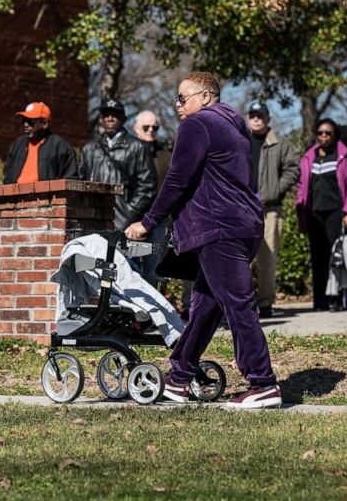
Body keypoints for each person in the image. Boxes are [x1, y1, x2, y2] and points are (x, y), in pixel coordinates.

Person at [125, 72, 281, 409]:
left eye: (183, 97)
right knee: (205, 307)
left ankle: (263, 382)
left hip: (218, 229)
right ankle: (180, 378)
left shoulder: (198, 125)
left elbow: (178, 179)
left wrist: (148, 222)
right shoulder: (235, 127)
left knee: (239, 306)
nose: (178, 105)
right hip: (243, 227)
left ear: (206, 97)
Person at [294, 117, 347, 312]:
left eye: (328, 133)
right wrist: (301, 209)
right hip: (315, 214)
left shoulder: (345, 157)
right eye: (320, 133)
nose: (324, 137)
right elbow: (302, 187)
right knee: (318, 258)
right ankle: (320, 300)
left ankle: (339, 299)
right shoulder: (309, 157)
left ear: (334, 135)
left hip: (336, 213)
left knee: (338, 259)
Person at [247, 103, 300, 318]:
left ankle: (266, 303)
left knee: (266, 259)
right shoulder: (239, 141)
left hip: (270, 210)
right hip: (242, 210)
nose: (256, 119)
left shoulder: (281, 144)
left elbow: (293, 169)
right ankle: (242, 305)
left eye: (260, 116)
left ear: (268, 119)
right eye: (253, 115)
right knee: (240, 260)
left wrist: (275, 190)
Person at [79, 99, 156, 231]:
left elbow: (148, 186)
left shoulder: (137, 147)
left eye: (115, 115)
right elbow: (80, 182)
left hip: (123, 222)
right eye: (106, 115)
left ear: (124, 119)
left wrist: (129, 213)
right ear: (101, 119)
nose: (110, 118)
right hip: (93, 219)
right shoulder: (89, 148)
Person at [132, 110, 173, 285]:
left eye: (155, 127)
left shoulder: (165, 155)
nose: (150, 130)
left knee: (153, 269)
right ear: (136, 128)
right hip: (132, 217)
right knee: (130, 266)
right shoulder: (128, 152)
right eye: (146, 127)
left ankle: (153, 310)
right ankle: (132, 310)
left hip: (157, 218)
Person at [3, 102, 78, 184]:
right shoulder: (17, 145)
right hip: (18, 196)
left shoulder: (60, 147)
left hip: (46, 196)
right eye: (24, 120)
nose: (25, 124)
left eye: (30, 121)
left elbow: (70, 180)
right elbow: (7, 177)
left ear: (45, 124)